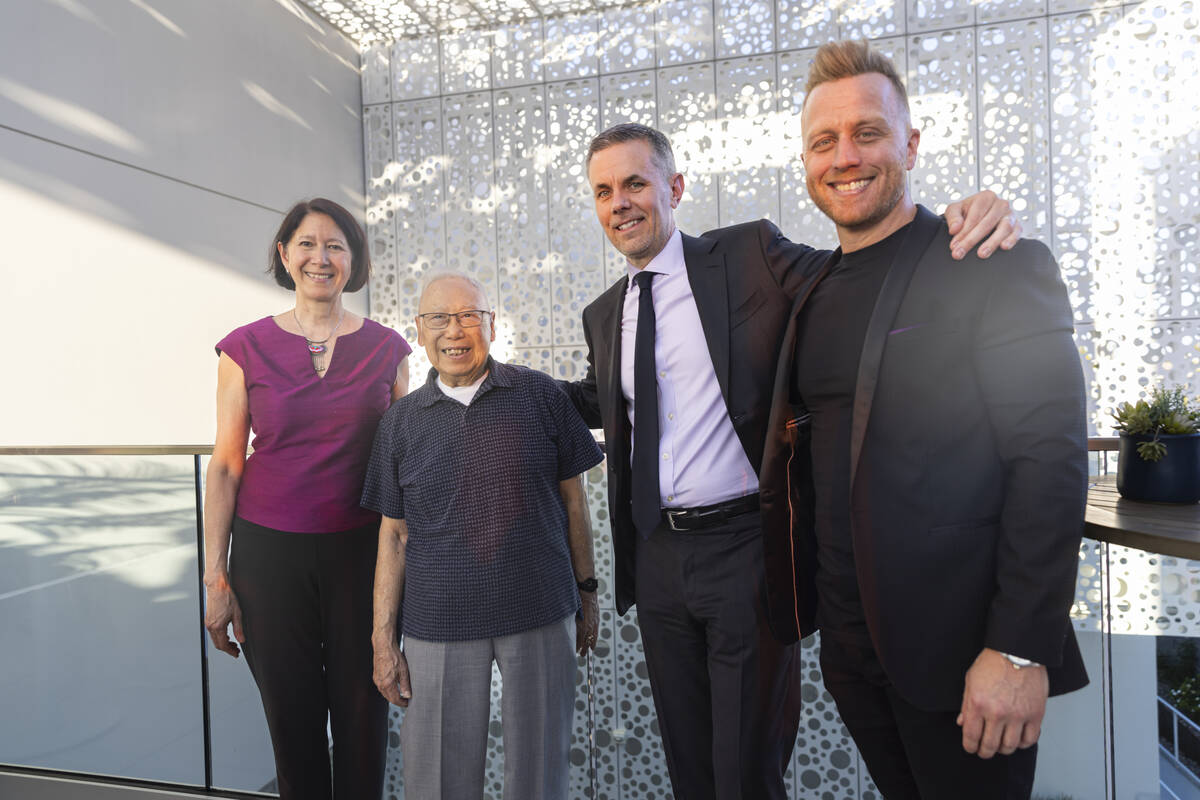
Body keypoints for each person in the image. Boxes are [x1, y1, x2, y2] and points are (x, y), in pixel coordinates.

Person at [558, 120, 1023, 799]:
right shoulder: (604, 314)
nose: (619, 203)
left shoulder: (748, 254)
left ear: (675, 187)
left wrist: (957, 218)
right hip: (657, 559)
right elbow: (605, 400)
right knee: (688, 764)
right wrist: (494, 380)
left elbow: (858, 271)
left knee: (747, 768)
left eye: (634, 183)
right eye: (603, 191)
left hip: (746, 550)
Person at [759, 40, 1088, 798]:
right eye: (823, 141)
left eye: (868, 133)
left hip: (967, 660)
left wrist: (1018, 649)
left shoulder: (991, 261)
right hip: (850, 651)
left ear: (910, 144)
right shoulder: (807, 287)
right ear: (805, 160)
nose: (845, 156)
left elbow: (1052, 459)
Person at [363, 271, 603, 800]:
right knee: (437, 782)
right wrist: (384, 636)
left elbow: (573, 502)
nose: (455, 329)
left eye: (469, 315)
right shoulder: (399, 423)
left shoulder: (539, 394)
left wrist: (588, 591)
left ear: (491, 326)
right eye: (439, 319)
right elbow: (394, 537)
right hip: (437, 619)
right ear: (420, 331)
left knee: (541, 776)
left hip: (539, 608)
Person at [202, 198, 411, 800]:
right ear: (284, 255)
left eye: (337, 246)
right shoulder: (242, 348)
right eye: (308, 244)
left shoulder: (388, 349)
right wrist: (216, 577)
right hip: (269, 558)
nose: (322, 257)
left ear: (353, 260)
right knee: (291, 725)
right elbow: (224, 467)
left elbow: (408, 461)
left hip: (362, 557)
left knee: (364, 718)